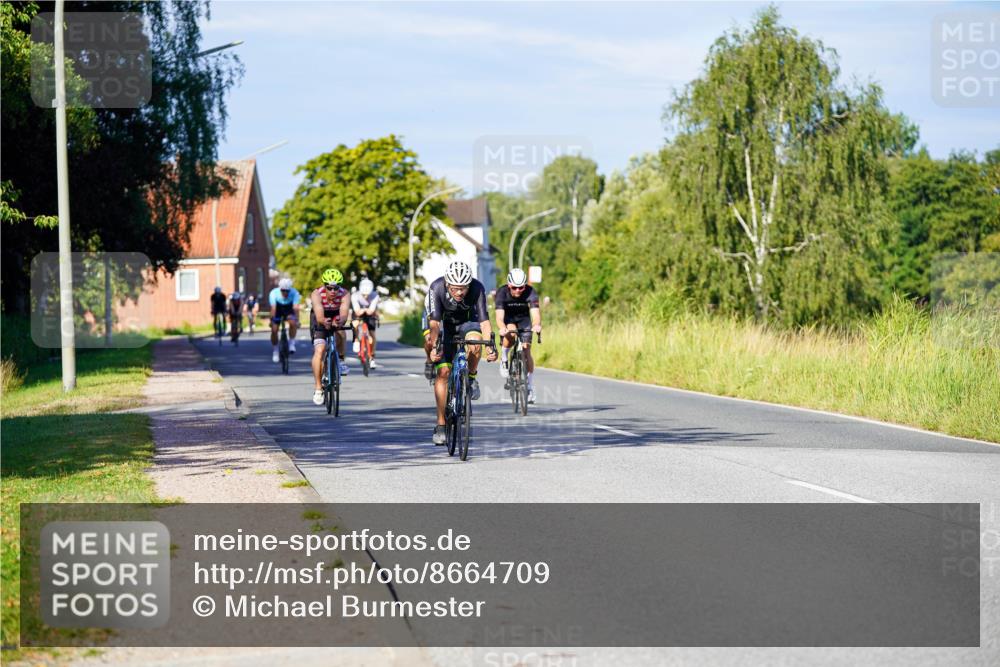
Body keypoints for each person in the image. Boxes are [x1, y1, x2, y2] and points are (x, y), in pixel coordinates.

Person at [426, 260, 497, 445]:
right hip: (446, 327)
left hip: (469, 323)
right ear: (448, 284)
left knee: (475, 344)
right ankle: (441, 424)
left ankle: (471, 378)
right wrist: (434, 346)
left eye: (463, 288)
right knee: (443, 373)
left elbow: (484, 322)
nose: (459, 292)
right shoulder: (437, 288)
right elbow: (434, 323)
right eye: (455, 288)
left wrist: (491, 345)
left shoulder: (477, 288)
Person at [494, 268, 542, 404]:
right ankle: (504, 359)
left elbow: (536, 314)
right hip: (508, 319)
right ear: (509, 285)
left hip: (524, 319)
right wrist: (502, 328)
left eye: (521, 287)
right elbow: (499, 317)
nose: (517, 291)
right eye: (514, 287)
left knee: (527, 351)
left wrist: (537, 324)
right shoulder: (502, 293)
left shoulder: (531, 292)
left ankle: (530, 386)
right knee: (511, 334)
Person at [310, 268, 351, 405]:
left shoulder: (344, 294)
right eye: (329, 288)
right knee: (320, 350)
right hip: (320, 317)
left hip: (336, 315)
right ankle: (318, 388)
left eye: (336, 288)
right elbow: (319, 312)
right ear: (324, 286)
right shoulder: (317, 294)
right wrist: (323, 321)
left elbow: (344, 312)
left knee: (341, 332)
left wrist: (340, 321)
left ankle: (340, 359)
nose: (333, 291)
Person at [268, 277, 301, 362]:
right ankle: (275, 350)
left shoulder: (294, 293)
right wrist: (271, 320)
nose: (285, 293)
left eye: (287, 291)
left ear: (290, 290)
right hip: (278, 308)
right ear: (280, 289)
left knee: (293, 323)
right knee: (274, 330)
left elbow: (296, 308)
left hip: (289, 308)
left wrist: (297, 320)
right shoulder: (274, 293)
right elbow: (273, 308)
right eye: (283, 290)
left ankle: (291, 343)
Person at [350, 278, 380, 369]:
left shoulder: (375, 295)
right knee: (355, 324)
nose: (366, 297)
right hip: (358, 312)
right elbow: (357, 311)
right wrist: (363, 310)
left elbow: (371, 311)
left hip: (369, 313)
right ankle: (356, 340)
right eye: (364, 295)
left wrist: (368, 311)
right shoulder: (355, 295)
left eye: (368, 295)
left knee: (372, 335)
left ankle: (372, 357)